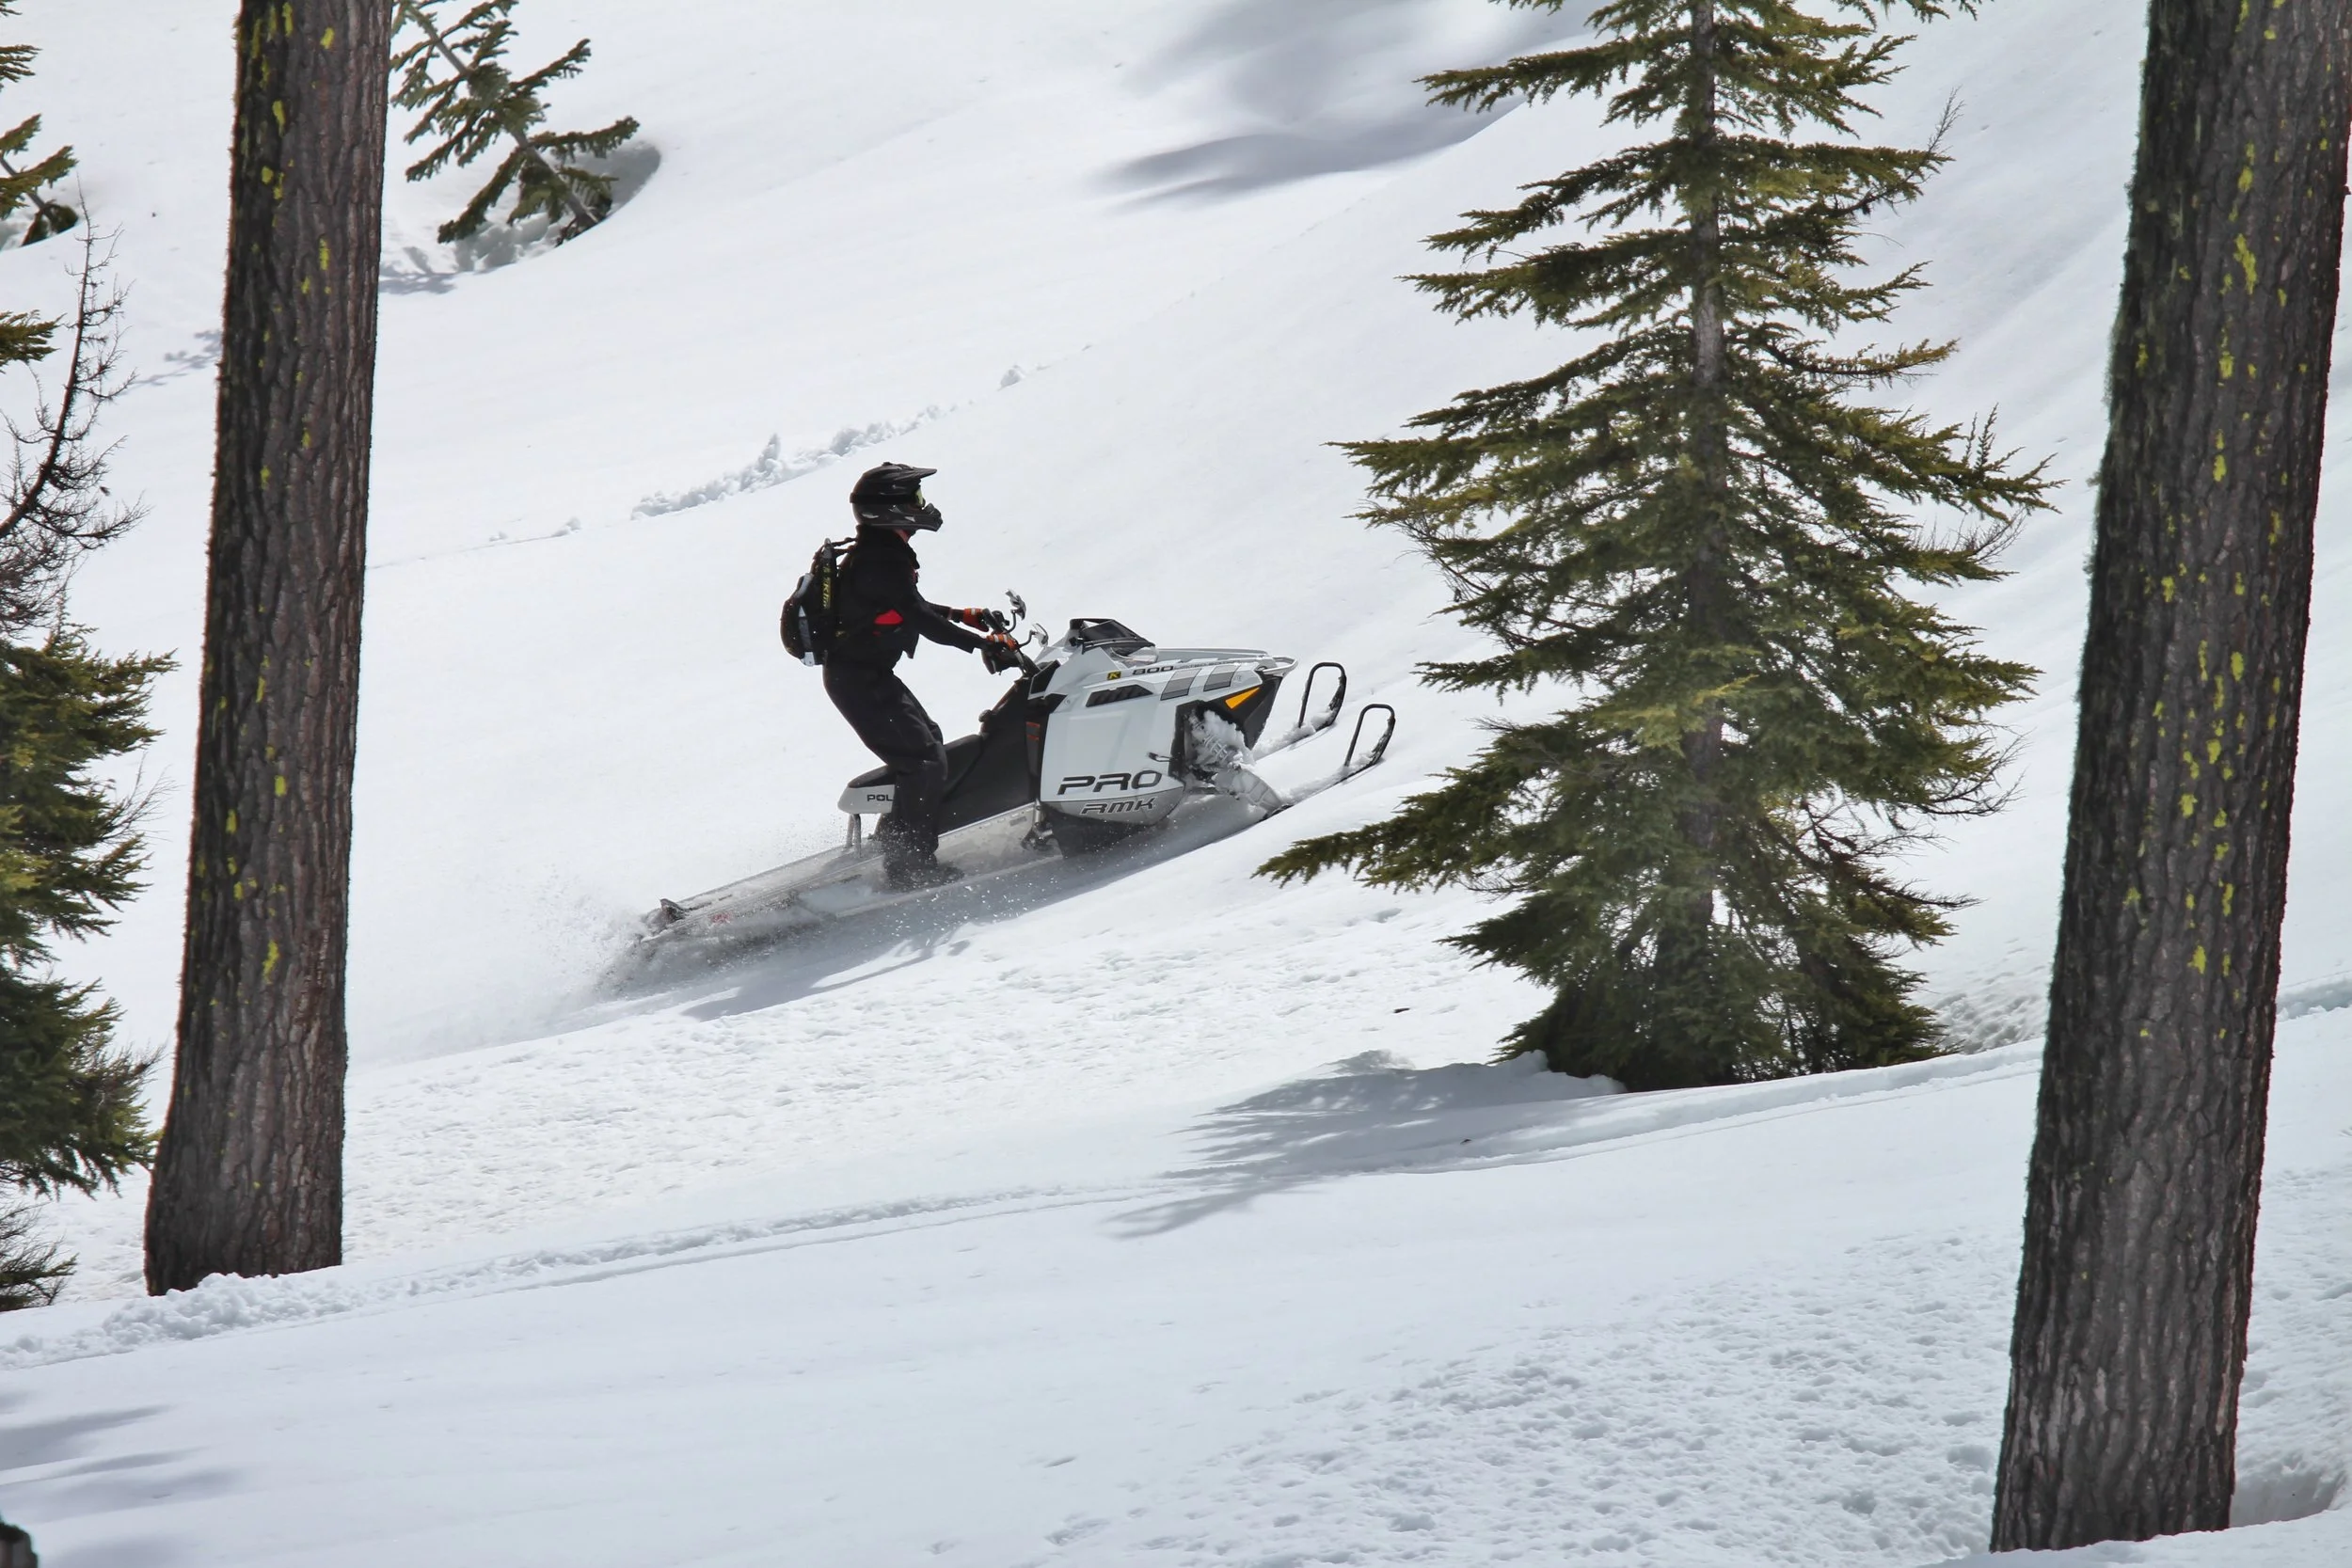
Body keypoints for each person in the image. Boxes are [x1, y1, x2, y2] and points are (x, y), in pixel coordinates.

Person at [825, 462, 1025, 889]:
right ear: (890, 508)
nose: (922, 505)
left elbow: (906, 606)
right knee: (923, 762)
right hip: (859, 681)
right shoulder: (880, 559)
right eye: (914, 498)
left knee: (929, 745)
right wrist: (982, 645)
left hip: (868, 676)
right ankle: (909, 867)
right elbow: (920, 619)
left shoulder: (881, 553)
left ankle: (897, 839)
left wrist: (963, 615)